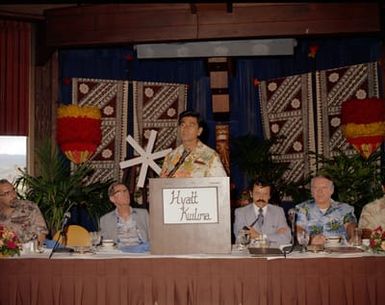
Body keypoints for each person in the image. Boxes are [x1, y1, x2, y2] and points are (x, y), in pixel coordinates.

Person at [160, 110, 227, 178]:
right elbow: (162, 183)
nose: (186, 128)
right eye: (183, 125)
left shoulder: (210, 156)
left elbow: (220, 184)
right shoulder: (171, 157)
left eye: (191, 125)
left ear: (199, 131)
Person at [296, 175, 357, 246]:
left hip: (339, 251)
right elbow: (299, 229)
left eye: (324, 187)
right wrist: (310, 240)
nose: (319, 191)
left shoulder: (344, 208)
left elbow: (350, 225)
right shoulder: (303, 208)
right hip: (313, 251)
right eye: (315, 188)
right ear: (311, 191)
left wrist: (353, 236)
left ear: (332, 190)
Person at [233, 177, 291, 247]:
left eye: (265, 194)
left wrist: (259, 236)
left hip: (272, 256)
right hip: (249, 256)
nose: (261, 197)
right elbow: (241, 240)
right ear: (251, 194)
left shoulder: (278, 211)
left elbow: (286, 238)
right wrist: (274, 237)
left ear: (269, 196)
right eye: (257, 193)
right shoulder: (240, 213)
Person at [100, 182, 149, 249]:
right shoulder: (105, 220)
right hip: (118, 256)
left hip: (142, 254)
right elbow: (106, 244)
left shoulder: (143, 214)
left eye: (125, 191)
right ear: (112, 199)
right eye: (119, 192)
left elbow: (154, 237)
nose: (125, 194)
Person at [0, 179, 48, 244]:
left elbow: (42, 234)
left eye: (13, 190)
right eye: (7, 193)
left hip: (29, 251)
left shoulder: (29, 207)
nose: (13, 195)